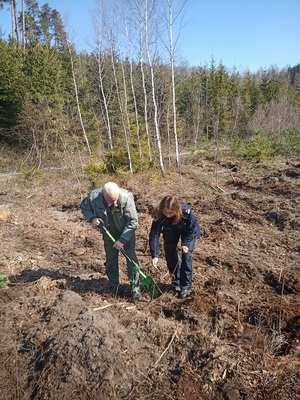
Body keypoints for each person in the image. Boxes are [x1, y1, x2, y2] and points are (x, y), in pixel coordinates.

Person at [80, 182, 142, 300]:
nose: (114, 203)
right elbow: (83, 207)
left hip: (126, 233)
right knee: (110, 261)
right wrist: (92, 218)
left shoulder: (126, 197)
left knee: (131, 260)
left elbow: (133, 222)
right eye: (110, 200)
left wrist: (122, 240)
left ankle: (135, 289)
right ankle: (114, 286)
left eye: (115, 200)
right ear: (103, 195)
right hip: (108, 233)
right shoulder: (94, 197)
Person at [149, 195, 200, 299]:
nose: (167, 215)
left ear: (176, 209)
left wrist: (185, 243)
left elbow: (192, 229)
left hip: (187, 231)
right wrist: (155, 255)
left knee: (186, 255)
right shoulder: (159, 215)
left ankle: (185, 286)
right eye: (165, 212)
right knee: (169, 251)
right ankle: (176, 280)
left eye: (170, 213)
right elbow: (155, 234)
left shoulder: (186, 212)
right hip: (170, 230)